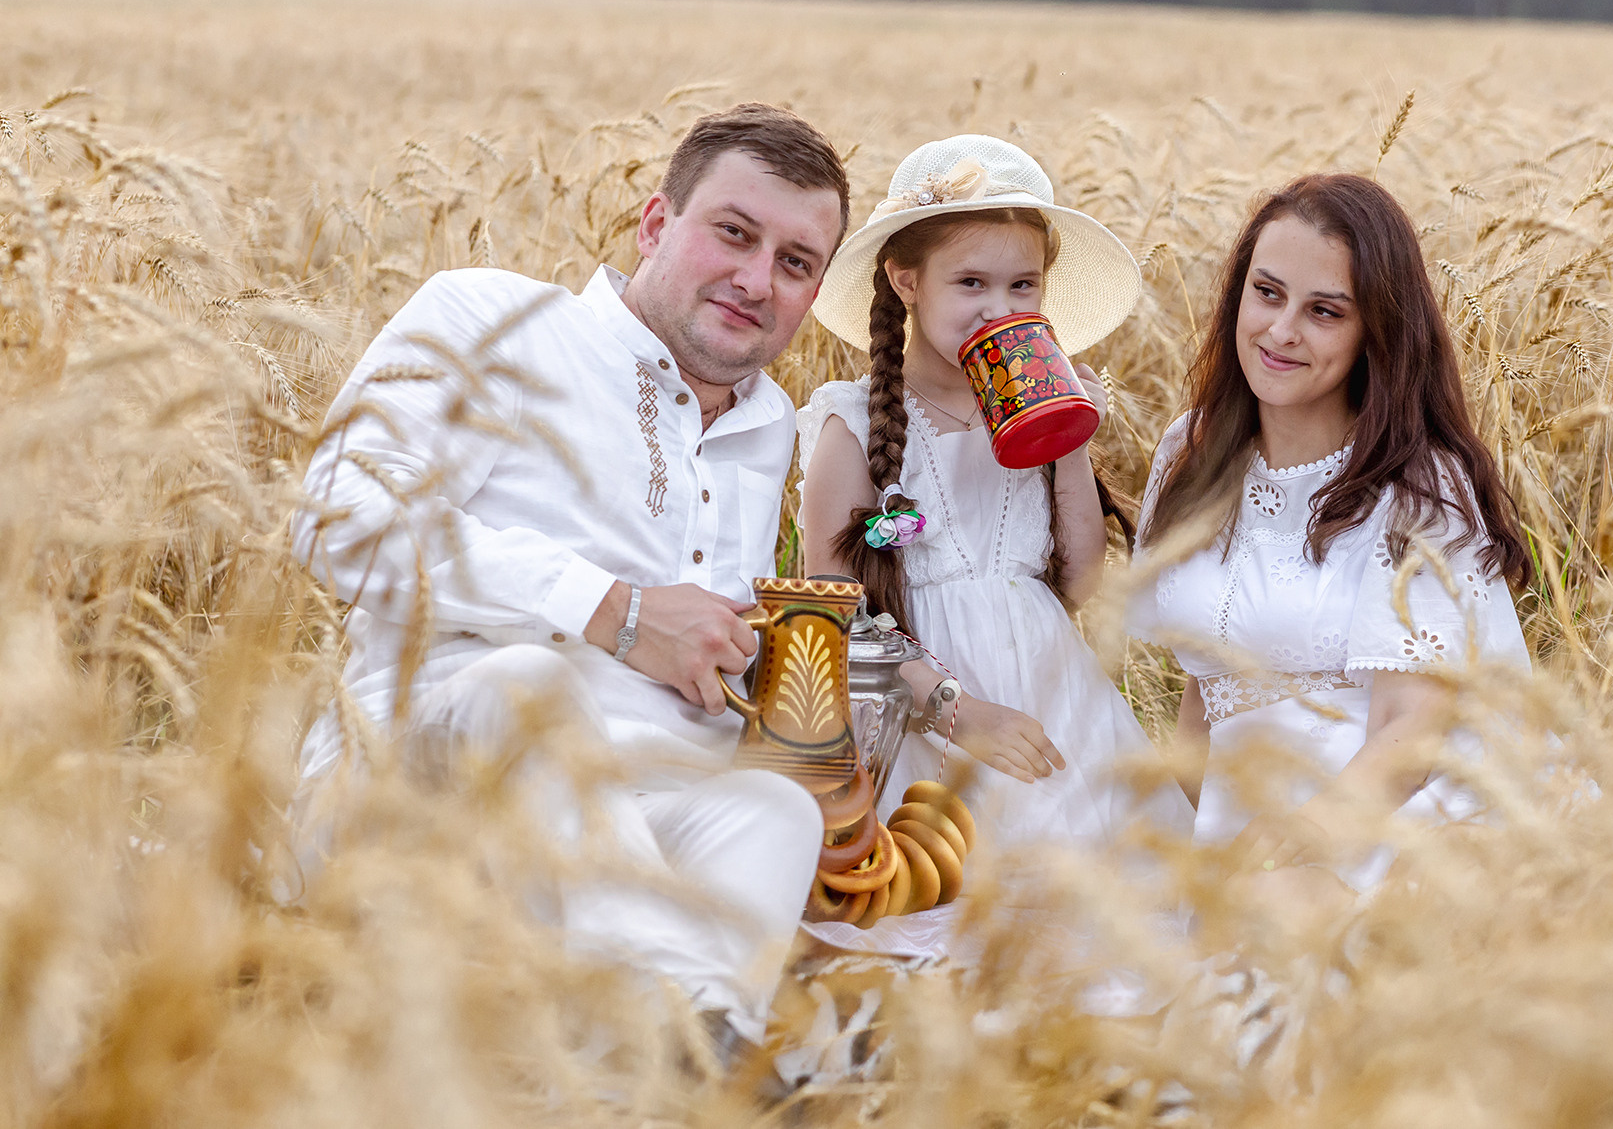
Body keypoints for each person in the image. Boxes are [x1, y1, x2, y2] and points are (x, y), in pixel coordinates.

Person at [291, 103, 850, 1052]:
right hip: (426, 788)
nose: (757, 279)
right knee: (531, 688)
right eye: (734, 232)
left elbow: (704, 647)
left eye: (795, 262)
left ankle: (670, 1064)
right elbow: (340, 512)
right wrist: (616, 610)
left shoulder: (772, 425)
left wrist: (786, 704)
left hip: (645, 818)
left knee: (777, 809)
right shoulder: (491, 316)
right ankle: (701, 1032)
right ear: (655, 223)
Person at [795, 133, 1192, 957]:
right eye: (970, 282)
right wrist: (957, 708)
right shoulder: (851, 419)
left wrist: (1066, 429)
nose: (998, 306)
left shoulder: (1046, 419)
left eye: (1022, 285)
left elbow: (1082, 583)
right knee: (950, 934)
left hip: (1055, 703)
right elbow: (831, 609)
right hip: (923, 718)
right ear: (907, 280)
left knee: (1099, 934)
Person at [1130, 173, 1532, 893]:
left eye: (1324, 311)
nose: (1282, 330)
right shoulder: (1187, 452)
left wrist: (1304, 842)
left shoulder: (1415, 483)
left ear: (1374, 331)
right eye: (1267, 292)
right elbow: (1203, 686)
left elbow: (1413, 729)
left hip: (1377, 824)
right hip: (1239, 828)